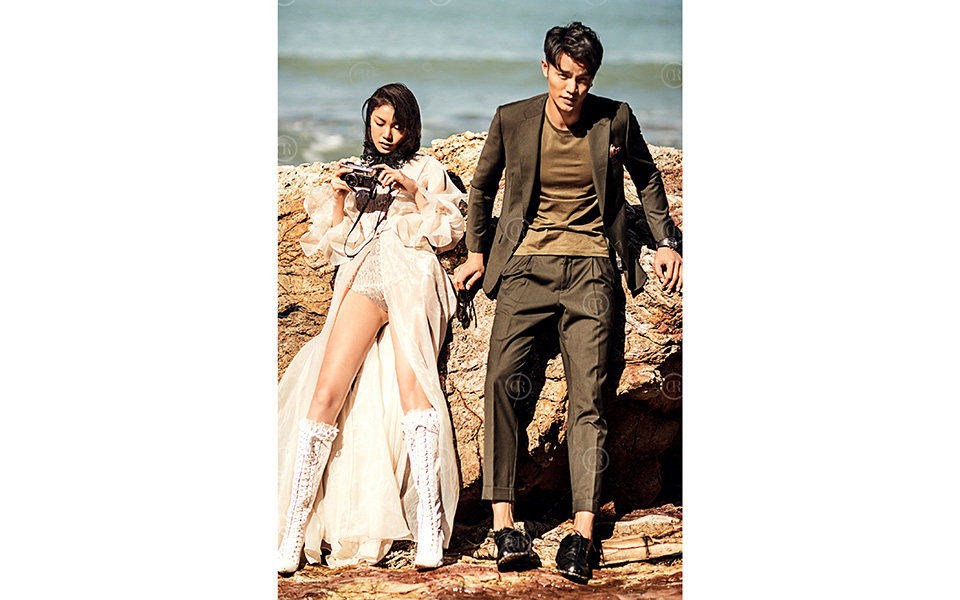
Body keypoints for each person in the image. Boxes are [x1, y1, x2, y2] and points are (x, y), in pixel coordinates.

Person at [452, 22, 682, 584]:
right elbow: (482, 186)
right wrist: (478, 251)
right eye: (564, 75)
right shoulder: (512, 118)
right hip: (525, 266)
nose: (573, 89)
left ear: (592, 78)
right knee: (502, 380)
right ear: (546, 68)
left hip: (592, 270)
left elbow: (648, 177)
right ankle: (505, 522)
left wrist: (666, 242)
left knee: (590, 397)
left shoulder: (615, 118)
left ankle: (582, 532)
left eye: (583, 79)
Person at [278, 83, 466, 573]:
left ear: (412, 128)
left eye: (398, 125)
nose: (387, 134)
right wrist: (341, 199)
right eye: (379, 123)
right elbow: (332, 248)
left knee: (414, 390)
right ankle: (294, 529)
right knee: (326, 392)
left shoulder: (427, 168)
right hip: (364, 277)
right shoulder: (357, 171)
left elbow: (449, 232)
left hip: (413, 276)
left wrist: (411, 190)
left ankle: (429, 526)